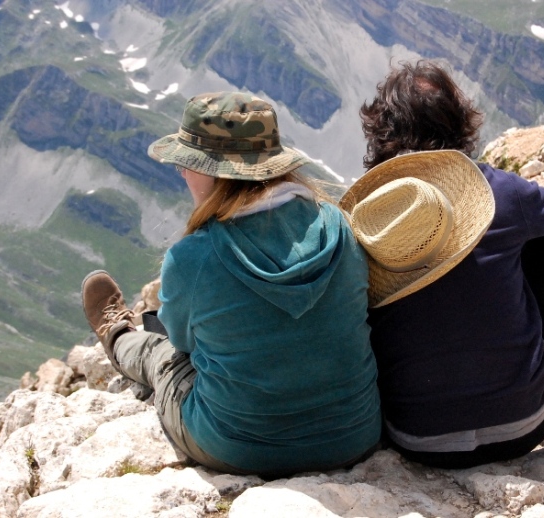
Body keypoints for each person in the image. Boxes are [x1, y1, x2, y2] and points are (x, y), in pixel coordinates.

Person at [81, 92, 381, 478]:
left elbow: (183, 344)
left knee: (162, 356)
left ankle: (118, 334)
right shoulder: (339, 225)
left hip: (240, 447)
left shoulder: (193, 256)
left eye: (186, 164)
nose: (182, 173)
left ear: (212, 171)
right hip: (354, 437)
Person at [339, 61, 544, 469]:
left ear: (380, 132)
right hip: (528, 421)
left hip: (417, 438)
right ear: (460, 123)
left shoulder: (367, 220)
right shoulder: (500, 191)